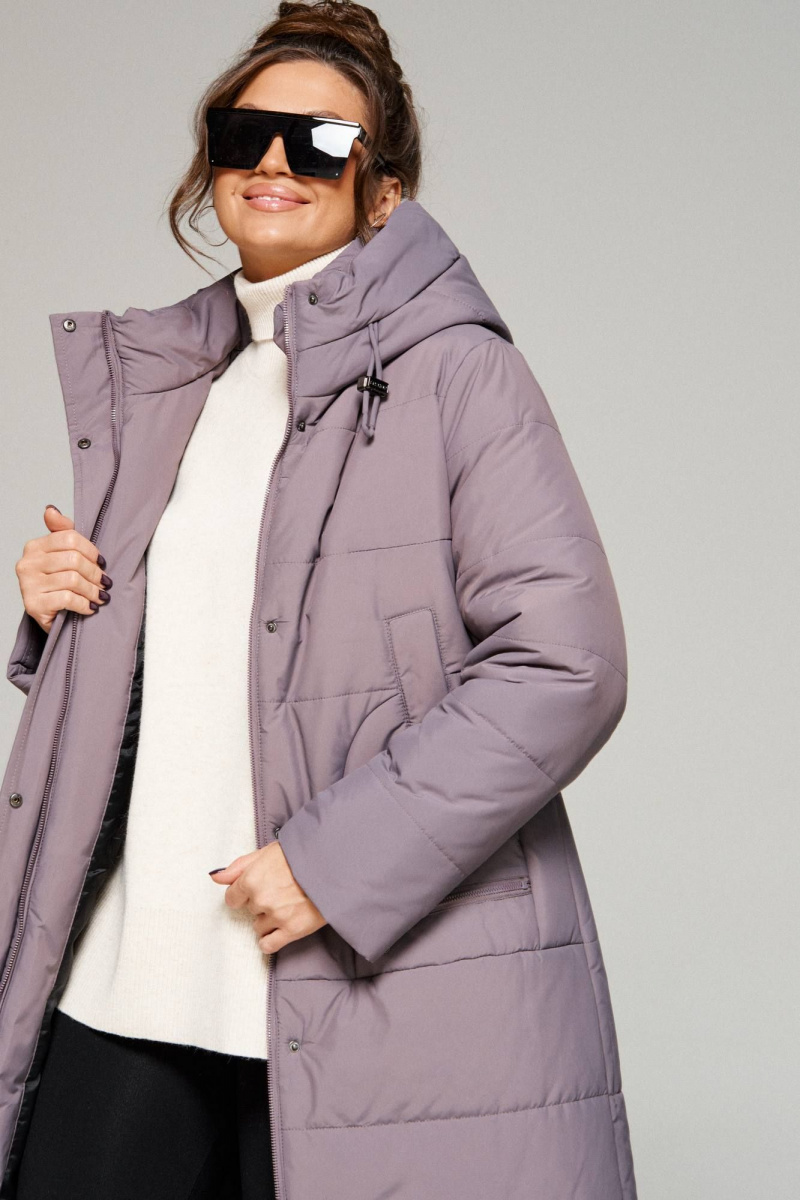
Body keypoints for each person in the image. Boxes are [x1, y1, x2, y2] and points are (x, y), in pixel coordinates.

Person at [0, 3, 638, 1198]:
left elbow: (565, 663)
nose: (276, 163)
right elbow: (204, 658)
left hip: (363, 972)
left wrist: (334, 863)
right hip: (140, 968)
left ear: (383, 192)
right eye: (244, 133)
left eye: (322, 142)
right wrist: (60, 617)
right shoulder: (175, 383)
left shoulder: (459, 372)